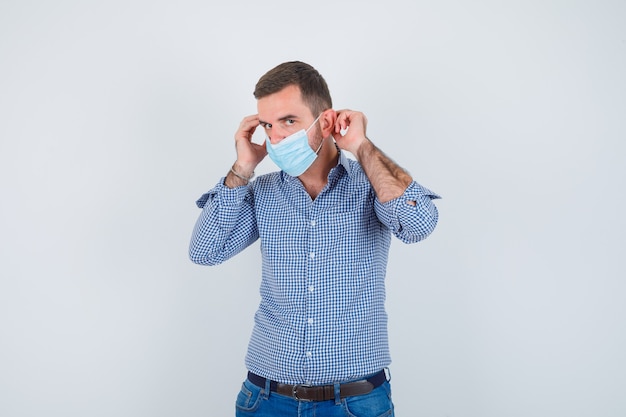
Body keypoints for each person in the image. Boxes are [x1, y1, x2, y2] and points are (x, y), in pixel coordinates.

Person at [189, 61, 440, 416]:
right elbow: (204, 251)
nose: (275, 137)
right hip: (265, 399)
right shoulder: (262, 192)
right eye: (267, 125)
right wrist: (242, 168)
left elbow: (418, 224)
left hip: (355, 402)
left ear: (325, 121)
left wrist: (362, 146)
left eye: (288, 121)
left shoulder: (371, 185)